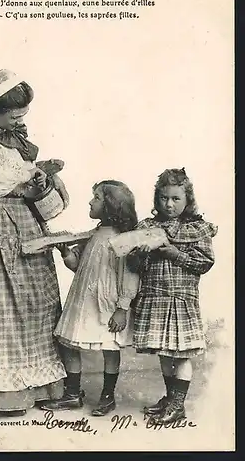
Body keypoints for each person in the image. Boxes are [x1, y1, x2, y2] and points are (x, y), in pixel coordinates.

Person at [0, 69, 68, 417]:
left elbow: (25, 170)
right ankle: (1, 397)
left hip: (27, 218)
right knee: (2, 300)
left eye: (23, 114)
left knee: (37, 299)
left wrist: (40, 175)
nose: (21, 120)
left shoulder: (13, 134)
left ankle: (47, 389)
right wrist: (28, 176)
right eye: (14, 114)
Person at [40, 180, 140, 416]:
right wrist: (66, 252)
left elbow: (130, 275)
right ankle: (72, 393)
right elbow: (79, 266)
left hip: (107, 302)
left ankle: (107, 396)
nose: (90, 201)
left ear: (111, 206)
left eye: (96, 197)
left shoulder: (125, 239)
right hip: (83, 299)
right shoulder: (93, 235)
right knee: (69, 342)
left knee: (109, 346)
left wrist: (122, 307)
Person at [129, 168, 217, 424]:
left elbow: (204, 262)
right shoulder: (147, 227)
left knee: (181, 354)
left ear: (188, 199)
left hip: (180, 299)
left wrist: (172, 253)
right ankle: (170, 399)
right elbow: (135, 268)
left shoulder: (196, 228)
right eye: (163, 198)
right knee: (166, 354)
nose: (168, 204)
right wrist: (141, 254)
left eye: (176, 198)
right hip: (155, 299)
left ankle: (178, 405)